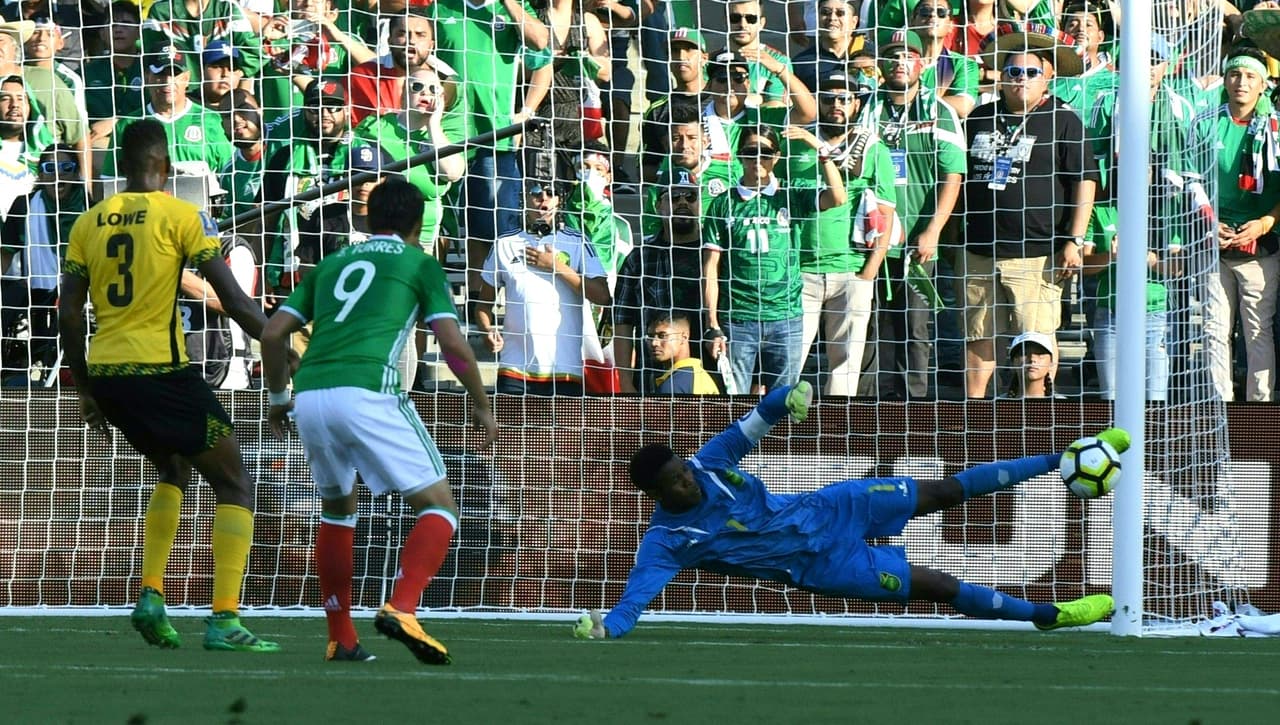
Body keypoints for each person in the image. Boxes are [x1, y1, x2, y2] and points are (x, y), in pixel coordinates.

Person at [572, 381, 1121, 639]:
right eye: (676, 481)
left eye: (684, 470)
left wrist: (793, 396)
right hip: (822, 567)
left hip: (834, 506)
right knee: (941, 586)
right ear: (658, 496)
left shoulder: (711, 461)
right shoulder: (665, 541)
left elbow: (760, 416)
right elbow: (632, 603)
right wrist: (604, 628)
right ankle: (1049, 617)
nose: (688, 479)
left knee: (944, 493)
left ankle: (1065, 456)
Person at [57, 118, 280, 653]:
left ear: (121, 167)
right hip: (162, 371)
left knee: (174, 468)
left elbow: (66, 310)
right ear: (165, 167)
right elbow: (234, 300)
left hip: (109, 374)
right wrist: (284, 344)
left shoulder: (90, 221)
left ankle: (151, 596)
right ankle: (225, 618)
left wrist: (85, 388)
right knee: (234, 484)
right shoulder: (181, 215)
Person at [260, 177, 498, 664]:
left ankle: (341, 638)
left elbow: (273, 333)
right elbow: (453, 346)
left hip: (312, 396)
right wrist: (480, 402)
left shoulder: (329, 264)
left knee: (337, 509)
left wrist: (280, 395)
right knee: (440, 507)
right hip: (369, 390)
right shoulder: (419, 263)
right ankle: (403, 606)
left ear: (368, 220)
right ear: (417, 224)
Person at [962, 35, 1097, 399]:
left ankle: (1036, 417)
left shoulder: (1064, 120)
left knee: (1036, 346)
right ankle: (974, 414)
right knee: (979, 336)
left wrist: (1075, 239)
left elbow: (1085, 181)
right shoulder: (978, 118)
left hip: (1037, 253)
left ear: (1047, 77)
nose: (1021, 78)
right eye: (1013, 71)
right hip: (979, 249)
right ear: (1002, 76)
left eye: (1031, 72)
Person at [703, 125, 846, 395]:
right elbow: (710, 267)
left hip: (786, 317)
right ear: (739, 156)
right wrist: (713, 324)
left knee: (783, 404)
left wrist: (819, 148)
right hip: (738, 318)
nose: (757, 159)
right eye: (750, 151)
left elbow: (838, 197)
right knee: (735, 404)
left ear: (777, 157)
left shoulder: (791, 196)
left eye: (765, 152)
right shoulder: (723, 204)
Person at [474, 180, 612, 396]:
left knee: (563, 432)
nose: (543, 198)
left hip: (565, 368)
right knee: (513, 430)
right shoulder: (504, 244)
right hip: (514, 367)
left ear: (559, 201)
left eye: (551, 192)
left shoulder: (578, 242)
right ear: (525, 199)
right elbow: (482, 307)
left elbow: (603, 295)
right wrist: (487, 329)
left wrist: (556, 266)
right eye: (536, 192)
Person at [1197, 45, 1280, 402]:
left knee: (1257, 330)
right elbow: (1190, 179)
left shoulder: (1276, 129)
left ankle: (1258, 411)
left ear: (1263, 84)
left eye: (1249, 76)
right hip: (1214, 241)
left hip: (1260, 246)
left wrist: (1263, 223)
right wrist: (1209, 222)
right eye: (1234, 74)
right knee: (1215, 330)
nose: (1241, 83)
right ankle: (1221, 408)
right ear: (1225, 80)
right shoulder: (1204, 124)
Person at [648, 311, 719, 395]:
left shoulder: (673, 385)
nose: (654, 343)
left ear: (684, 337)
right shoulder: (701, 375)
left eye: (662, 336)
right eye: (650, 336)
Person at [1003, 330, 1056, 398]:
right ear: (1013, 362)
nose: (1032, 359)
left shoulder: (1062, 406)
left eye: (1040, 354)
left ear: (1051, 363)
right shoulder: (998, 405)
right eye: (1024, 353)